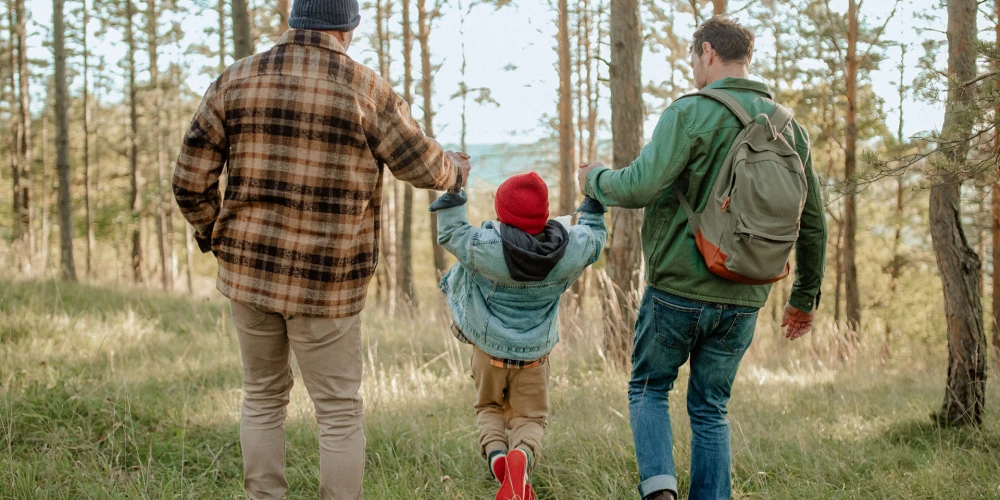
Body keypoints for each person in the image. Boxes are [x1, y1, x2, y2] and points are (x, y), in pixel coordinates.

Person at [172, 0, 471, 497]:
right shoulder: (366, 89)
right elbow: (423, 166)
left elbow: (188, 182)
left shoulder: (235, 79)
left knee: (262, 397)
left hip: (250, 276)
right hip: (328, 283)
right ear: (347, 27)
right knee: (337, 412)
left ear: (295, 19)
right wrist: (456, 171)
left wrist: (218, 239)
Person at [578, 16, 828, 500]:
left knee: (649, 388)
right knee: (711, 408)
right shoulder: (789, 128)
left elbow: (639, 187)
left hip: (678, 287)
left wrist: (594, 179)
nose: (694, 68)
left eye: (694, 58)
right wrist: (803, 298)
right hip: (747, 294)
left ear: (708, 52)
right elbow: (813, 220)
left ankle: (660, 492)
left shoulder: (689, 112)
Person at [430, 172, 608, 500]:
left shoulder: (484, 247)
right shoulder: (569, 249)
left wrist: (455, 186)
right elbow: (595, 237)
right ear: (544, 212)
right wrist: (592, 197)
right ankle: (521, 456)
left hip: (487, 353)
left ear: (502, 212)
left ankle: (498, 457)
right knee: (530, 417)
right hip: (535, 356)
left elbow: (451, 231)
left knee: (488, 407)